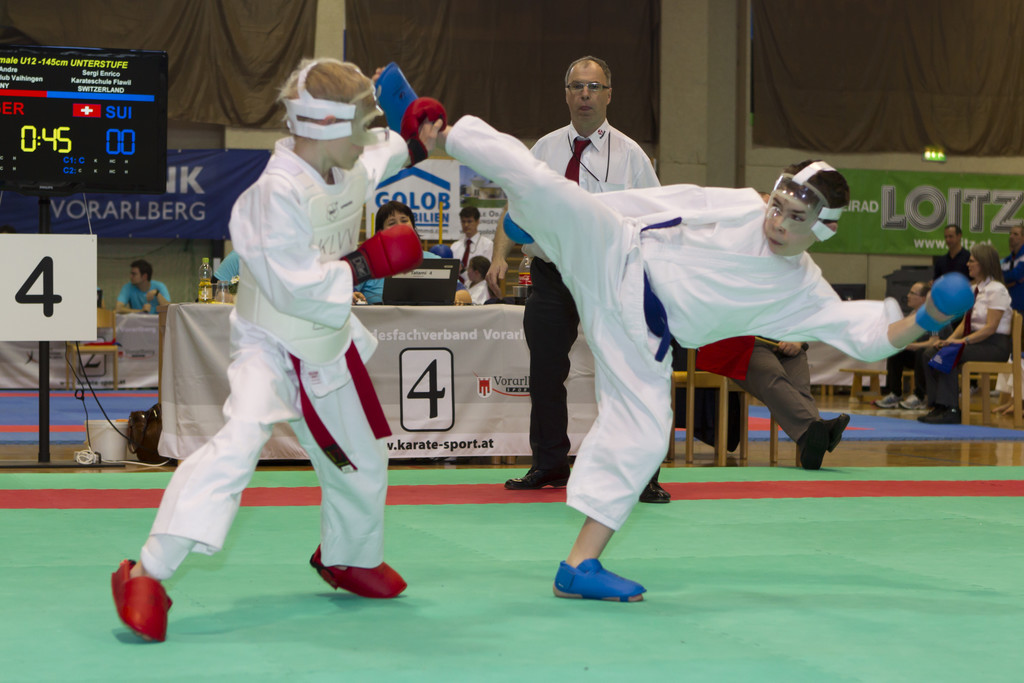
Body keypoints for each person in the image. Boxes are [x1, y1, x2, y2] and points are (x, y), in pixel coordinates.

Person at [426, 112, 973, 601]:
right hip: (618, 253)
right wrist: (572, 220)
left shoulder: (803, 291)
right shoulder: (744, 206)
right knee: (548, 187)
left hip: (643, 333)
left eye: (795, 219)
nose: (778, 223)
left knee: (646, 431)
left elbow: (867, 335)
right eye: (778, 207)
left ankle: (578, 566)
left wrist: (925, 319)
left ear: (823, 230)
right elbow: (671, 201)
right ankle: (439, 132)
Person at [110, 57, 435, 642]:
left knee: (362, 457)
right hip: (271, 344)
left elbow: (386, 152)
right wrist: (367, 263)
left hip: (326, 344)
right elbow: (294, 287)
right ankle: (146, 573)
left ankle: (349, 558)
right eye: (363, 124)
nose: (371, 136)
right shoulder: (271, 196)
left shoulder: (347, 160)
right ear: (326, 127)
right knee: (237, 446)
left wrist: (417, 138)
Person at [488, 56, 668, 504]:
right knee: (545, 373)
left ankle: (641, 473)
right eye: (577, 86)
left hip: (611, 274)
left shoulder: (631, 156)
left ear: (609, 95)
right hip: (552, 274)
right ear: (566, 94)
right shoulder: (544, 150)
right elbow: (516, 208)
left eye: (594, 86)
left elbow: (657, 217)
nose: (585, 94)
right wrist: (498, 256)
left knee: (627, 373)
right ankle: (550, 463)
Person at [919, 244, 1012, 424]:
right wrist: (949, 340)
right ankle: (938, 405)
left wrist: (962, 342)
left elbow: (991, 327)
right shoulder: (974, 289)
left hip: (994, 345)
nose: (968, 264)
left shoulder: (997, 290)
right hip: (975, 342)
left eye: (972, 261)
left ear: (983, 263)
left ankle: (952, 409)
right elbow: (964, 323)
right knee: (930, 354)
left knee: (948, 354)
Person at [732, 337, 851, 469]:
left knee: (800, 388)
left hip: (784, 339)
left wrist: (798, 340)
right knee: (772, 377)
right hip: (745, 341)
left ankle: (810, 441)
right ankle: (815, 430)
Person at [354, 200, 468, 304]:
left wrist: (457, 297)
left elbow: (464, 294)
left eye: (404, 220)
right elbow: (347, 291)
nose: (400, 226)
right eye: (392, 223)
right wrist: (353, 295)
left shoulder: (434, 260)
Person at [872, 282, 945, 410]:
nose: (908, 296)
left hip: (936, 357)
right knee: (896, 351)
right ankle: (895, 394)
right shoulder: (913, 315)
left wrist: (912, 345)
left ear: (923, 298)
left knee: (921, 352)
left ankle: (920, 396)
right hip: (918, 357)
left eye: (912, 293)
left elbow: (933, 342)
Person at [451, 206, 493, 284]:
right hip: (456, 288)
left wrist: (462, 271)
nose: (466, 225)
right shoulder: (455, 246)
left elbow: (485, 274)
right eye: (463, 221)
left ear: (477, 221)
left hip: (478, 288)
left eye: (469, 221)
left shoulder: (487, 245)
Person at [1000, 225, 1024, 312]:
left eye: (1015, 234)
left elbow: (1016, 275)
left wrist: (1008, 278)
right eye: (1010, 234)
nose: (1011, 237)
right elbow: (999, 274)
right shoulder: (1009, 258)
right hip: (1011, 306)